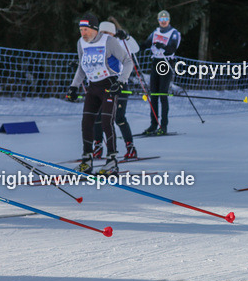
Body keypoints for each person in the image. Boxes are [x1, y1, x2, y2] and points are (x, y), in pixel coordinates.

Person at [66, 13, 132, 175]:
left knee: (106, 122)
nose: (83, 33)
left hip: (109, 85)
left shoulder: (109, 41)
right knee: (86, 122)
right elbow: (82, 67)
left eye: (86, 29)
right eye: (81, 30)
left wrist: (121, 82)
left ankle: (112, 161)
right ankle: (87, 160)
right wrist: (74, 86)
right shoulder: (81, 43)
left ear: (95, 29)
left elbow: (127, 61)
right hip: (93, 87)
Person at [93, 20, 142, 160]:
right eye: (101, 32)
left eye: (107, 32)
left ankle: (130, 148)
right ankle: (97, 147)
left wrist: (126, 37)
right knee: (98, 116)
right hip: (102, 84)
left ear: (113, 34)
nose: (104, 35)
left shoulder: (120, 44)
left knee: (119, 117)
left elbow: (136, 49)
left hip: (119, 85)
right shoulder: (97, 45)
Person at [142, 10, 181, 136]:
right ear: (158, 21)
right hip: (155, 63)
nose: (163, 22)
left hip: (166, 63)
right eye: (161, 20)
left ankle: (163, 126)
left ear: (169, 20)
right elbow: (145, 44)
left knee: (162, 95)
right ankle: (153, 124)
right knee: (153, 95)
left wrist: (162, 46)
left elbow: (172, 48)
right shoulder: (155, 32)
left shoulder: (174, 33)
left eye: (165, 19)